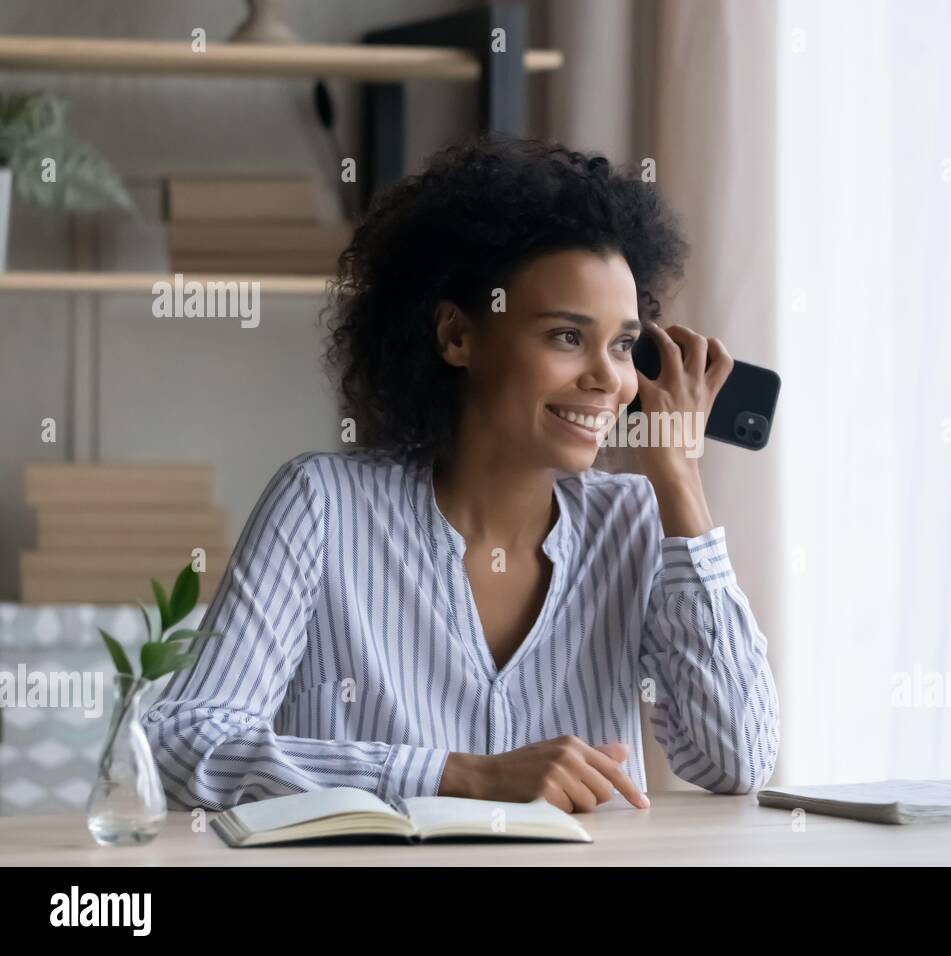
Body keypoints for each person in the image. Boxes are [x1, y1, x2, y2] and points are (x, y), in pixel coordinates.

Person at [145, 134, 779, 814]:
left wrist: (677, 476)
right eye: (567, 336)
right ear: (457, 336)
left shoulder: (636, 520)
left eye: (624, 346)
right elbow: (183, 744)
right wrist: (456, 775)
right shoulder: (322, 506)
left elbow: (735, 760)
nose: (608, 379)